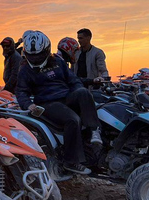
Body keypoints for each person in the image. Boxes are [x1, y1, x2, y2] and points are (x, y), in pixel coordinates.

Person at [15, 30, 102, 175]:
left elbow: (73, 81)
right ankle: (70, 162)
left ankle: (94, 132)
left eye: (39, 54)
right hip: (47, 103)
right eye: (32, 55)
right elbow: (21, 91)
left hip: (66, 97)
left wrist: (78, 90)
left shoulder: (58, 62)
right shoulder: (25, 70)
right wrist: (28, 105)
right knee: (72, 120)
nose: (35, 58)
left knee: (84, 92)